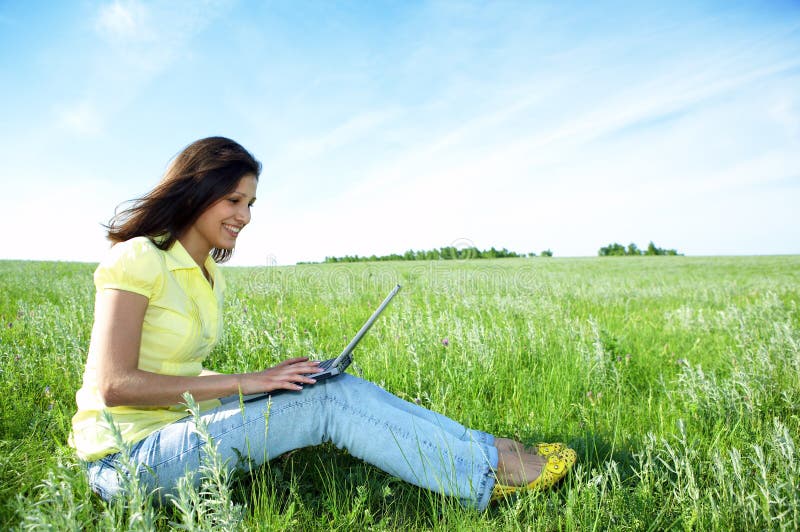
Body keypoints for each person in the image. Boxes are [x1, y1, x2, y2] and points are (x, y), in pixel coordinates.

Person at [69, 136, 576, 511]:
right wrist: (247, 384)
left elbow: (174, 369)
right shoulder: (138, 258)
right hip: (127, 461)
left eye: (250, 204)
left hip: (177, 426)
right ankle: (485, 477)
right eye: (234, 201)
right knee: (326, 402)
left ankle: (485, 448)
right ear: (198, 191)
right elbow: (115, 385)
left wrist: (267, 382)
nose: (244, 216)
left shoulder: (208, 275)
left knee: (326, 382)